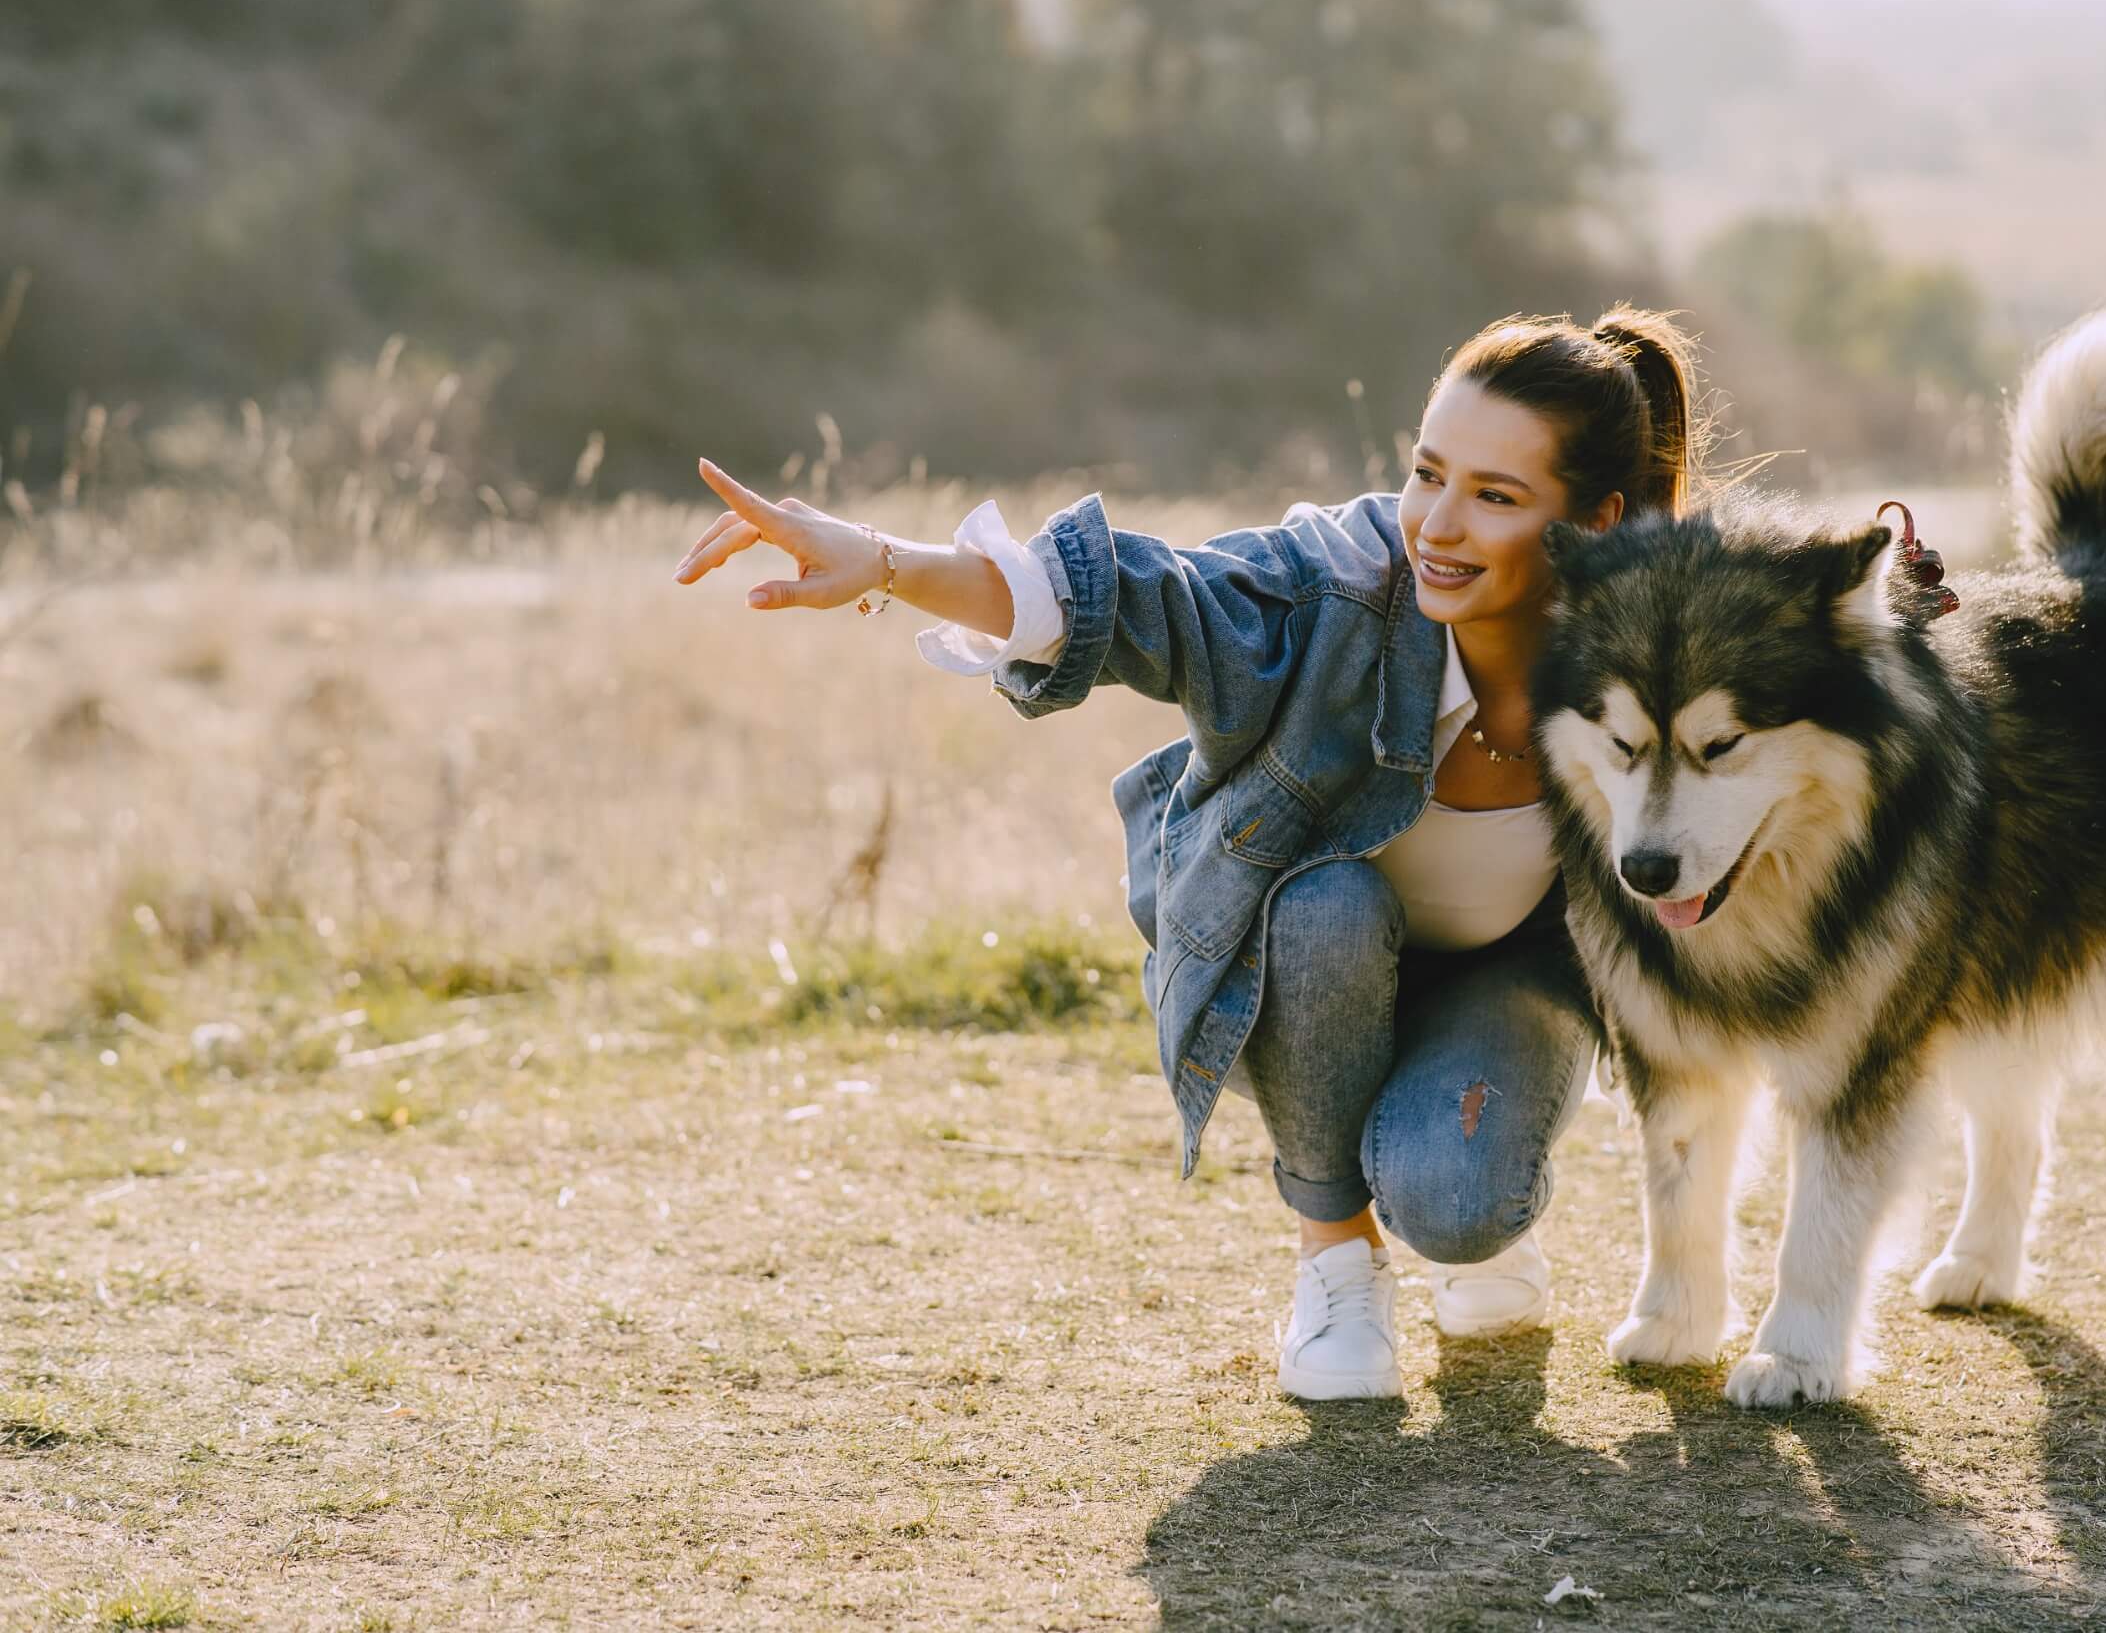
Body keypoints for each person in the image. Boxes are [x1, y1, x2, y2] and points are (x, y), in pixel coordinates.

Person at [673, 307, 1700, 1400]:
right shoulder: (1341, 585)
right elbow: (1143, 595)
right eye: (1427, 473)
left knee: (1456, 1206)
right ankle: (1337, 1260)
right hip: (1307, 949)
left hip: (1508, 971)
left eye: (1495, 497)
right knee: (1327, 903)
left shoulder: (1666, 653)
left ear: (1594, 522)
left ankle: (1470, 1199)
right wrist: (885, 560)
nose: (1437, 525)